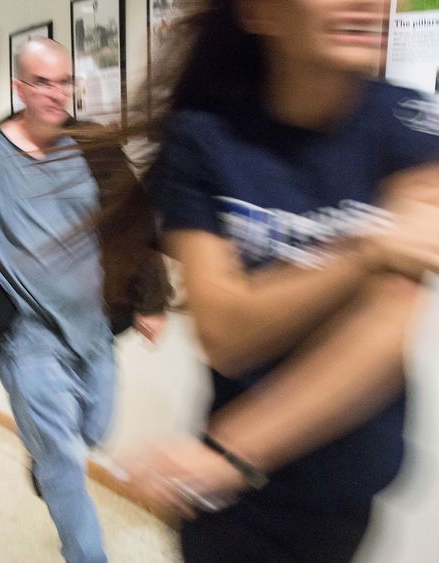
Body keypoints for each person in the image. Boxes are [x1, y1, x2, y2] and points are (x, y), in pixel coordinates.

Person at [118, 1, 439, 561]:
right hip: (237, 509)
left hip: (340, 489)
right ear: (261, 13)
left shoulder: (411, 124)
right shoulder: (205, 138)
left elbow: (381, 336)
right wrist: (366, 248)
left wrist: (232, 454)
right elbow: (225, 334)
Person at [0, 39, 170, 563]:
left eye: (64, 82)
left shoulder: (93, 146)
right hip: (25, 335)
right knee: (63, 456)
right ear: (19, 88)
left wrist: (152, 300)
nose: (57, 93)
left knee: (95, 432)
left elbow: (135, 219)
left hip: (92, 327)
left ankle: (42, 457)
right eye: (43, 82)